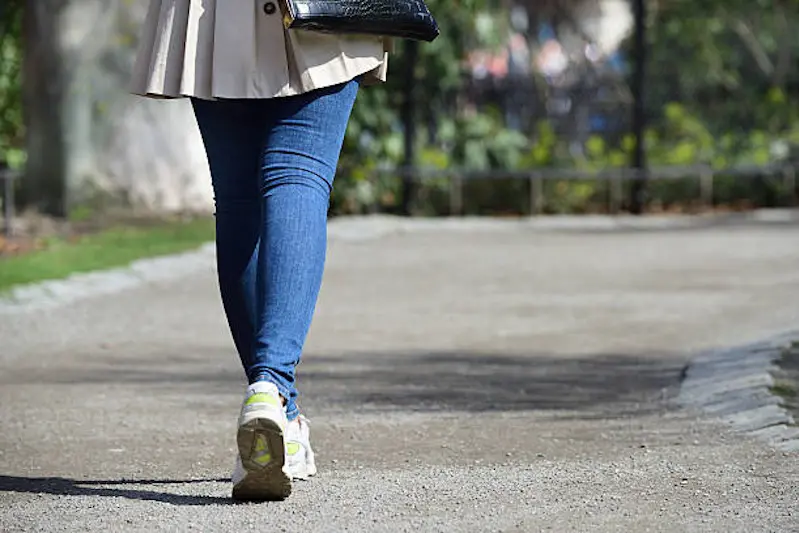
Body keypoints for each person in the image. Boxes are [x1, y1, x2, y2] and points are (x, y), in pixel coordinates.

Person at [130, 0, 390, 501]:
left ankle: (276, 407)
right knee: (298, 175)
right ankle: (272, 389)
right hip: (319, 15)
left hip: (214, 14)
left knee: (240, 201)